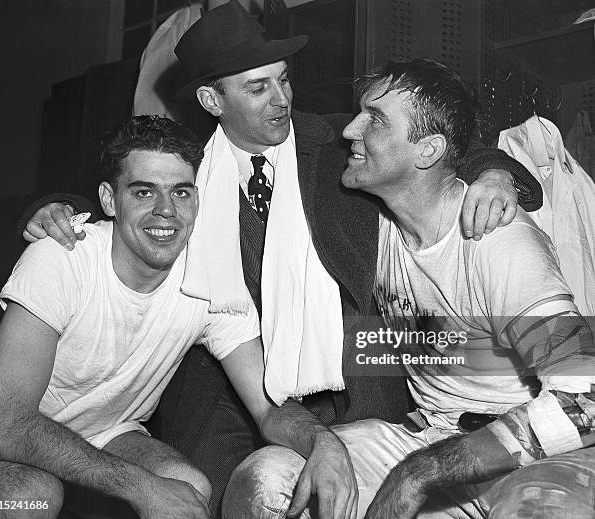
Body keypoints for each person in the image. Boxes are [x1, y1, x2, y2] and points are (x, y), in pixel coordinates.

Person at [19, 2, 543, 516]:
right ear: (211, 98)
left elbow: (439, 146)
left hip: (355, 380)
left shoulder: (345, 143)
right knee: (228, 495)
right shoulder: (190, 172)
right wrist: (59, 211)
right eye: (257, 87)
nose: (280, 100)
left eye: (284, 79)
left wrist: (495, 174)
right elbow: (136, 205)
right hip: (231, 389)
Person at [225, 58, 595, 519]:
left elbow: (586, 401)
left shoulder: (499, 241)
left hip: (531, 452)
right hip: (432, 435)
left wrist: (419, 473)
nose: (350, 130)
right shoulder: (378, 225)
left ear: (427, 150)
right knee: (266, 482)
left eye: (375, 119)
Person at [0, 115, 357, 519]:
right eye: (144, 192)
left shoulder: (209, 277)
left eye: (181, 192)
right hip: (5, 430)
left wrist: (324, 442)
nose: (166, 211)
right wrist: (141, 487)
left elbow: (269, 406)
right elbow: (7, 424)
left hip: (108, 433)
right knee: (29, 497)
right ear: (109, 200)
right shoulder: (62, 258)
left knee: (189, 489)